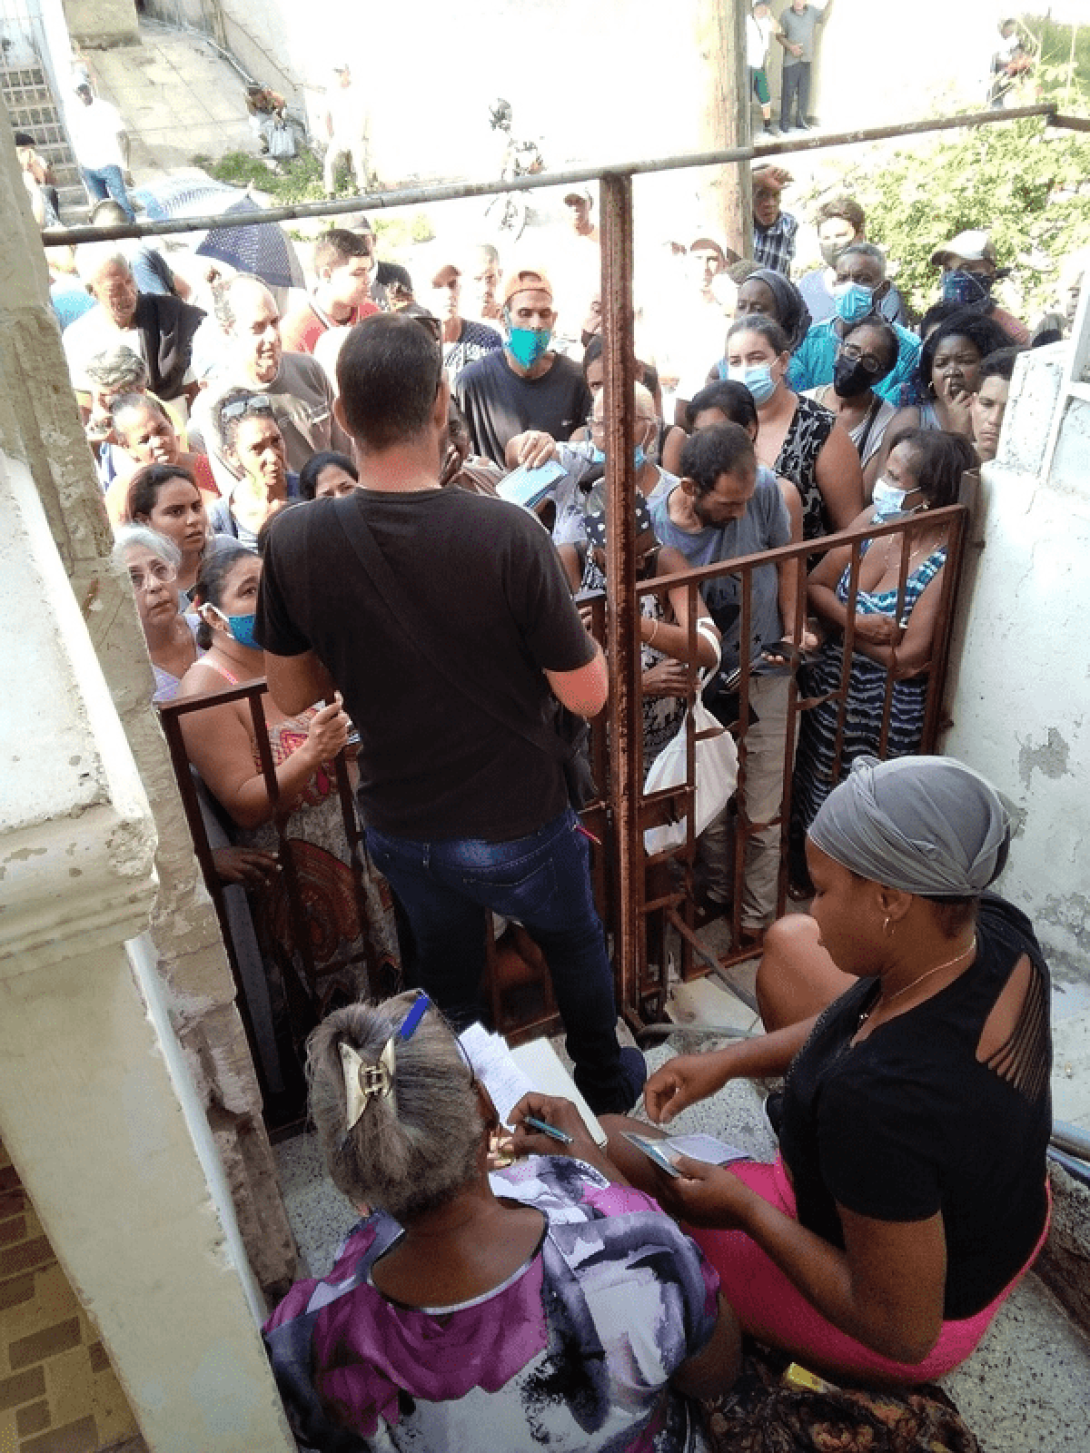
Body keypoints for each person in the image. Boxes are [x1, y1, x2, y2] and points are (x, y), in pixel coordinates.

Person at [256, 312, 646, 1114]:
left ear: (338, 417)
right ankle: (606, 1088)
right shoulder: (504, 531)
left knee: (447, 976)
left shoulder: (292, 539)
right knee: (573, 940)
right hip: (518, 819)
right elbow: (589, 694)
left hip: (403, 824)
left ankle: (469, 1107)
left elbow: (292, 695)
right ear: (442, 406)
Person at [620, 753, 1051, 1385]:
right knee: (788, 947)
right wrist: (730, 1059)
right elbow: (848, 1020)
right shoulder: (995, 930)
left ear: (890, 898)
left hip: (920, 1316)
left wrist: (745, 1208)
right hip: (1011, 1218)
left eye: (821, 889)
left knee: (613, 1142)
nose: (812, 907)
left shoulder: (876, 1102)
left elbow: (903, 1332)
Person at [264, 993, 740, 1450]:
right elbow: (714, 1373)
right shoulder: (637, 1244)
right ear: (485, 1109)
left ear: (352, 1183)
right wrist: (605, 1175)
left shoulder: (312, 1339)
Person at [179, 546, 400, 1009]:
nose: (268, 602)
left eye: (272, 588)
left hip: (359, 859)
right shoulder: (205, 690)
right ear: (213, 616)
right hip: (296, 885)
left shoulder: (296, 659)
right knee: (329, 1012)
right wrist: (311, 755)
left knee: (387, 995)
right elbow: (244, 801)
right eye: (249, 592)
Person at [791, 429, 978, 850]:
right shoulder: (874, 519)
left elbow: (909, 658)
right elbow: (815, 583)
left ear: (927, 496)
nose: (883, 485)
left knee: (872, 804)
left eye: (895, 478)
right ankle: (810, 868)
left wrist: (839, 627)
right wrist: (857, 624)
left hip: (887, 714)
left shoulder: (943, 559)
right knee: (817, 782)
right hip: (832, 695)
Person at [650, 424, 800, 934]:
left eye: (746, 500)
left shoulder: (763, 494)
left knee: (761, 807)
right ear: (691, 488)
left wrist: (795, 633)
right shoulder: (658, 527)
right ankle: (715, 894)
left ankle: (757, 922)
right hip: (700, 689)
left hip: (765, 670)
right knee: (707, 800)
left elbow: (786, 563)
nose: (742, 513)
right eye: (730, 505)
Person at [559, 487, 720, 778]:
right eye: (630, 555)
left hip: (661, 751)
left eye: (647, 550)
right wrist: (639, 684)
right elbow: (565, 684)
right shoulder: (570, 563)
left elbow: (709, 647)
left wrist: (630, 623)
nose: (641, 563)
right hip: (594, 749)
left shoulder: (664, 562)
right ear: (598, 548)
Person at [190, 275, 346, 493]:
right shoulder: (214, 406)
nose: (272, 336)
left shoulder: (309, 370)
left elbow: (345, 457)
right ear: (228, 331)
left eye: (274, 322)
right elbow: (238, 495)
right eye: (258, 328)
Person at [722, 315, 863, 539]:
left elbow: (850, 531)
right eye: (735, 362)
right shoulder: (721, 422)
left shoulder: (821, 429)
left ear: (783, 362)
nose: (745, 370)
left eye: (756, 358)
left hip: (805, 569)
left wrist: (815, 576)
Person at [456, 268, 592, 467]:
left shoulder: (576, 380)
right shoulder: (472, 384)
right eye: (525, 314)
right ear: (504, 319)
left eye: (544, 314)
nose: (536, 324)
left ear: (553, 320)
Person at [63, 244, 206, 408]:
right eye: (114, 289)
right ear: (92, 291)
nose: (128, 293)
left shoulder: (168, 315)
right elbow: (85, 405)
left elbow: (194, 387)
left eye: (129, 281)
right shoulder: (78, 338)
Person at [788, 244, 921, 404]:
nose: (850, 286)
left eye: (863, 279)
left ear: (883, 288)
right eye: (843, 278)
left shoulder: (908, 350)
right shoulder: (808, 341)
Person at [881, 309, 1014, 452]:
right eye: (941, 364)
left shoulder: (1005, 419)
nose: (952, 372)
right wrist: (959, 437)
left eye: (965, 361)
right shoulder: (911, 422)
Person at [802, 315, 900, 493]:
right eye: (852, 352)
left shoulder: (886, 423)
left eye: (870, 362)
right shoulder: (802, 404)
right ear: (839, 350)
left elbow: (862, 496)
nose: (856, 364)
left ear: (881, 376)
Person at [113, 525, 204, 700]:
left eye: (160, 570)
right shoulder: (123, 674)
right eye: (134, 578)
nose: (155, 585)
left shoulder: (210, 631)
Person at [106, 394, 218, 526]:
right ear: (128, 448)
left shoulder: (210, 468)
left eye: (161, 430)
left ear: (170, 423)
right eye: (144, 440)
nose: (158, 442)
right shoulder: (124, 492)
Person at [797, 196, 909, 327]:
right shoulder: (807, 287)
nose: (833, 244)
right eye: (826, 238)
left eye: (840, 236)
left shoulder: (882, 292)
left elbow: (895, 342)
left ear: (860, 236)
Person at [208, 392, 300, 545]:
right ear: (232, 455)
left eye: (276, 441)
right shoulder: (222, 519)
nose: (272, 457)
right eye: (257, 449)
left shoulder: (311, 492)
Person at [124, 463, 216, 601]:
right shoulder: (149, 590)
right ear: (144, 521)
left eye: (196, 507)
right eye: (176, 512)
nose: (193, 519)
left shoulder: (226, 550)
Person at [280, 230, 379, 355]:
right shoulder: (294, 331)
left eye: (367, 271)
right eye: (358, 273)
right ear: (326, 275)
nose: (367, 280)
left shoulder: (372, 314)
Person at [929, 230, 1030, 344]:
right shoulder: (933, 327)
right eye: (948, 269)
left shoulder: (1012, 331)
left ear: (991, 274)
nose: (954, 275)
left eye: (966, 268)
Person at [67, 81, 136, 222]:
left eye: (85, 89)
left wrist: (126, 167)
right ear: (75, 94)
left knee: (122, 205)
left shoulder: (105, 108)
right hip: (88, 167)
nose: (83, 94)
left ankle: (133, 233)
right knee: (103, 210)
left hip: (109, 163)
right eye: (79, 91)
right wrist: (81, 167)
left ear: (89, 88)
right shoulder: (73, 113)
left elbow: (123, 138)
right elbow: (76, 142)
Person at [428, 263, 503, 385]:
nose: (448, 294)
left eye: (452, 285)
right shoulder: (411, 345)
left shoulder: (487, 340)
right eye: (437, 286)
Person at [776, 0, 834, 133]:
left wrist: (830, 2)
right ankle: (784, 123)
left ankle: (801, 122)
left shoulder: (812, 11)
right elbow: (779, 35)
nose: (798, 2)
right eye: (795, 0)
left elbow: (823, 17)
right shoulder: (785, 15)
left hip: (806, 60)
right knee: (788, 93)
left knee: (804, 93)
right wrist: (791, 47)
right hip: (791, 61)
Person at [322, 64, 370, 195]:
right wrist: (331, 133)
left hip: (355, 133)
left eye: (340, 72)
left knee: (359, 160)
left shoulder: (357, 90)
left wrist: (363, 133)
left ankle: (363, 188)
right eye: (336, 73)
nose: (338, 75)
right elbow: (327, 114)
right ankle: (330, 192)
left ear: (346, 72)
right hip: (339, 135)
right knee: (329, 160)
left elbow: (365, 112)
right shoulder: (332, 92)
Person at [970, 347, 1021, 464]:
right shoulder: (946, 463)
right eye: (986, 404)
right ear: (973, 404)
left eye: (1009, 409)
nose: (994, 420)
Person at [751, 167, 798, 276]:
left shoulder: (788, 225)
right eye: (761, 195)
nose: (770, 203)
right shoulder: (739, 225)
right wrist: (756, 178)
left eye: (775, 195)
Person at [748, 3, 780, 137]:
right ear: (755, 7)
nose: (762, 9)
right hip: (748, 65)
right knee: (747, 98)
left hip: (760, 66)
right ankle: (746, 128)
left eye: (764, 6)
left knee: (765, 97)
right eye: (760, 6)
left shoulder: (766, 22)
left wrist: (771, 15)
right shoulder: (747, 20)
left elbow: (778, 30)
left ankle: (767, 125)